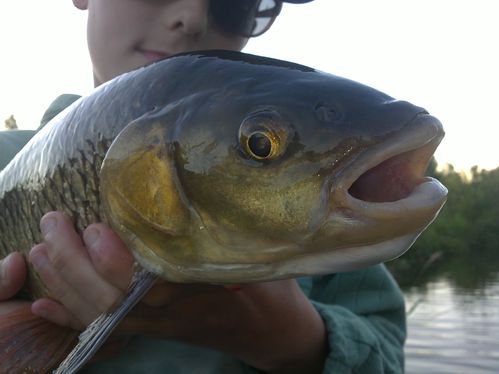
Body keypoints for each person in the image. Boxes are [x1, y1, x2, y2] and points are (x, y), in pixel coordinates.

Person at [0, 1, 406, 373]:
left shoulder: (344, 224)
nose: (193, 16)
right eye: (260, 144)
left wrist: (290, 337)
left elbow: (387, 353)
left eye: (234, 3)